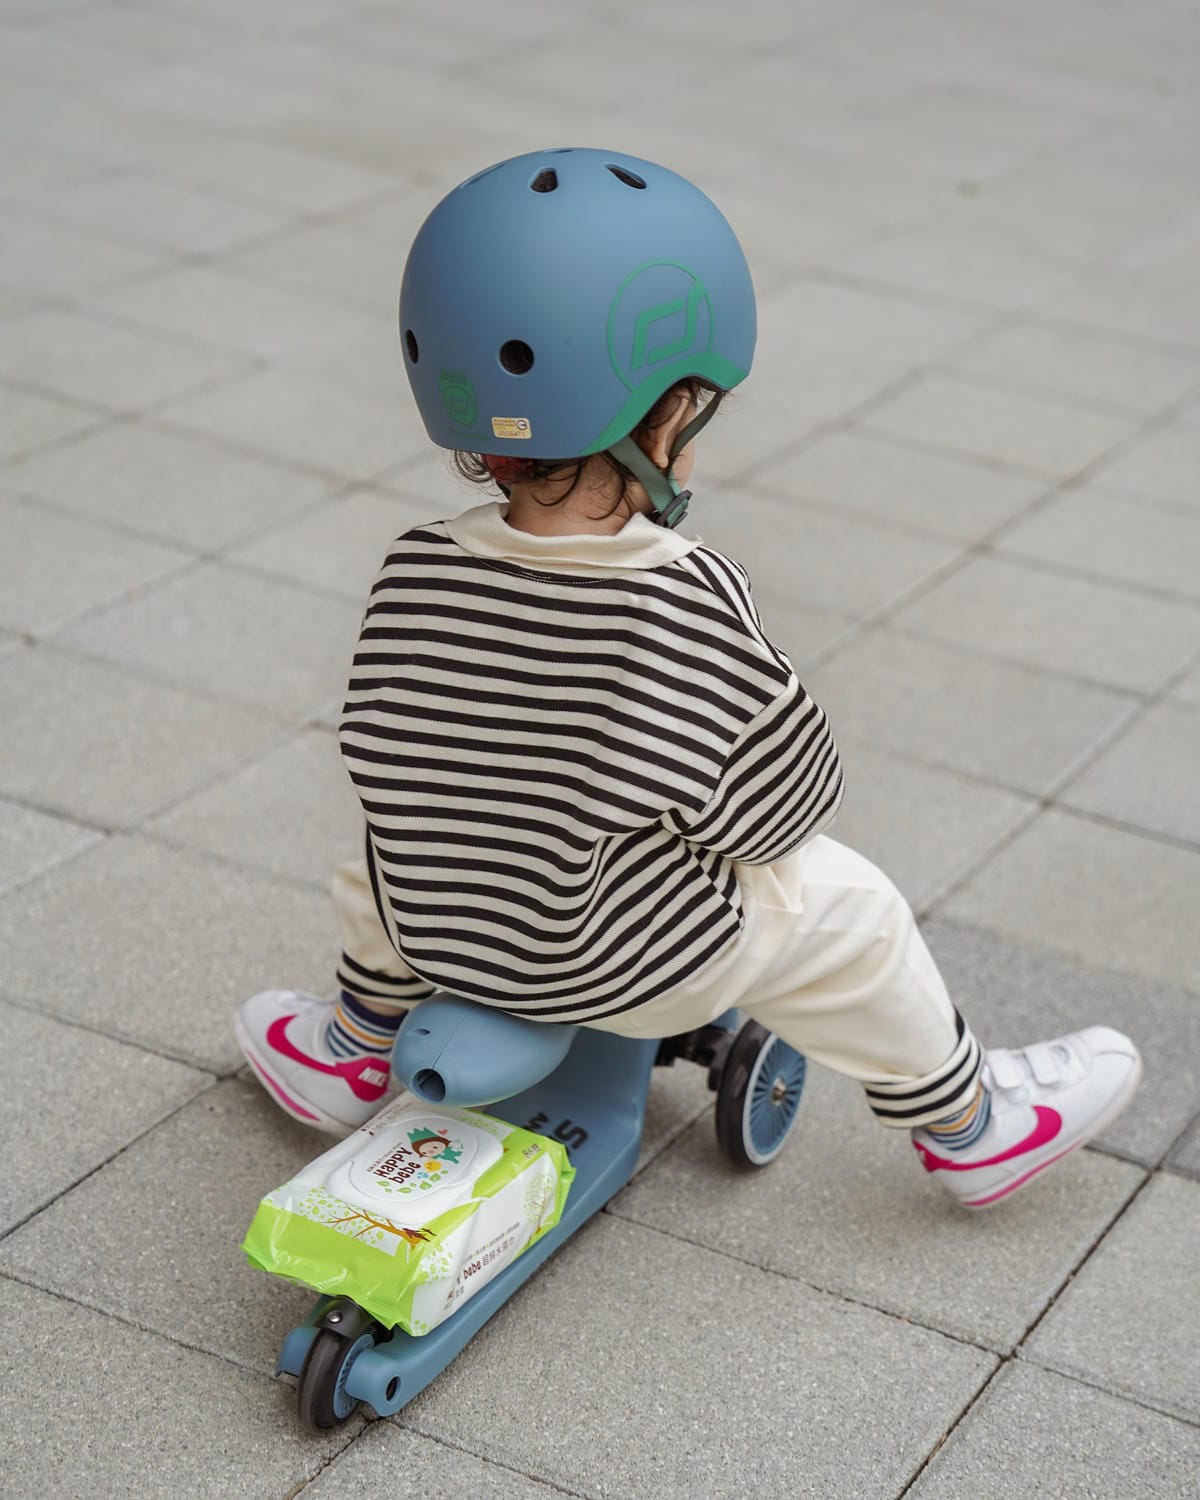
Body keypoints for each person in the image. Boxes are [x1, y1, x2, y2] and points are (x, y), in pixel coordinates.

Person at [235, 148, 1140, 1210]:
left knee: (391, 846)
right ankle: (972, 1121)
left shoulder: (416, 563)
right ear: (660, 419)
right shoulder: (688, 597)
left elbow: (383, 747)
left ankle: (352, 1042)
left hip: (446, 929)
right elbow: (776, 817)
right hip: (640, 965)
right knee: (851, 906)